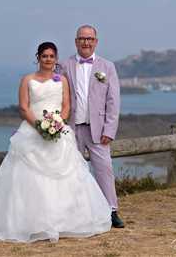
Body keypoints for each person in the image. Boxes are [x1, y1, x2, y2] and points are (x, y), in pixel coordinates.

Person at [0, 42, 112, 243]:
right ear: (38, 57)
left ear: (56, 59)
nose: (48, 59)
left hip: (58, 131)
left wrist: (58, 124)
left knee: (66, 176)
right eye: (44, 56)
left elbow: (66, 106)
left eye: (51, 56)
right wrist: (39, 126)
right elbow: (23, 107)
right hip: (32, 130)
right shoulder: (27, 79)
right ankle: (29, 223)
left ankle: (65, 221)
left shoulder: (62, 79)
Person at [60, 25, 124, 228]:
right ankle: (74, 212)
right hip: (71, 128)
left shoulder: (108, 67)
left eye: (90, 38)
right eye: (82, 38)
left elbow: (113, 101)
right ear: (76, 41)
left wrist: (109, 130)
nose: (86, 42)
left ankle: (112, 211)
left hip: (98, 130)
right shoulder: (64, 65)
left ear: (96, 41)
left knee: (104, 170)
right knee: (71, 170)